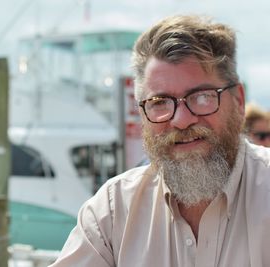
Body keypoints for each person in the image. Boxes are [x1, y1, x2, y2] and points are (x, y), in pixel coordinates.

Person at [50, 15, 270, 267]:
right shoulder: (113, 212)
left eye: (201, 97)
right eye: (160, 102)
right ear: (142, 113)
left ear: (238, 101)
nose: (181, 120)